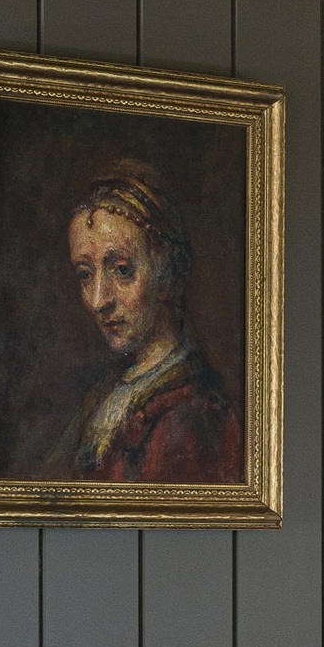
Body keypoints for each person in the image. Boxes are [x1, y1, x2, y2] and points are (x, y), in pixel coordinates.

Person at [52, 158, 242, 482]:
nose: (99, 300)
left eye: (123, 270)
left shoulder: (192, 416)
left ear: (167, 275)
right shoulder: (107, 395)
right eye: (85, 274)